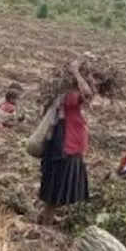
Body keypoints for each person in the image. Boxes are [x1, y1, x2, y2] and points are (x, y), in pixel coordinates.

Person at [37, 61, 99, 224]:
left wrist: (88, 77)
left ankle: (47, 217)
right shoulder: (69, 96)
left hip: (70, 149)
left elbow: (90, 93)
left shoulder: (71, 99)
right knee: (56, 189)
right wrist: (76, 72)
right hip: (65, 150)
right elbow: (88, 93)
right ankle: (46, 224)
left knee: (58, 188)